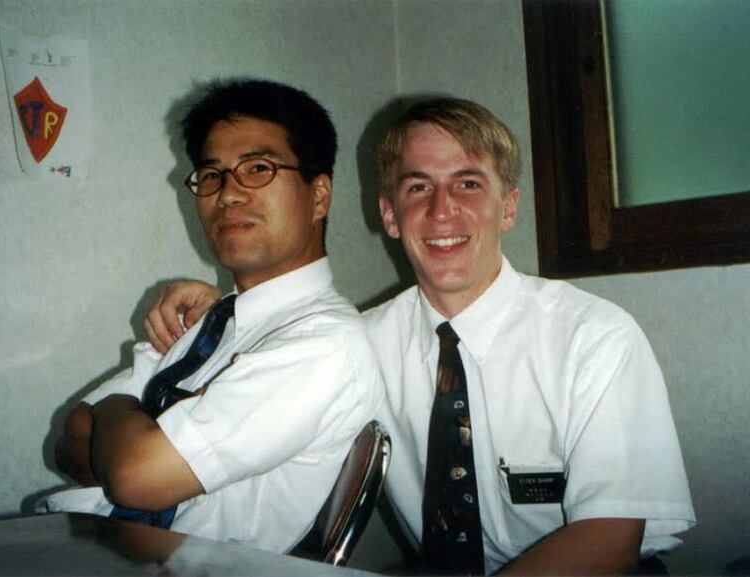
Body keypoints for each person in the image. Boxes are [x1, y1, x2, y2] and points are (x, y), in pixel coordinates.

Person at [143, 97, 695, 574]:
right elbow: (272, 376)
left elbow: (609, 541)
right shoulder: (358, 346)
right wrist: (227, 318)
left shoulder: (595, 338)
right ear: (389, 214)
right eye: (417, 187)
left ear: (508, 206)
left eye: (468, 184)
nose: (441, 210)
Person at [42, 79, 383, 554]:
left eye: (258, 168)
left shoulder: (324, 345)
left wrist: (114, 407)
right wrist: (132, 433)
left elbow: (135, 477)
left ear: (319, 196)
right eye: (211, 175)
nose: (228, 195)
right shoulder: (212, 322)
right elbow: (70, 443)